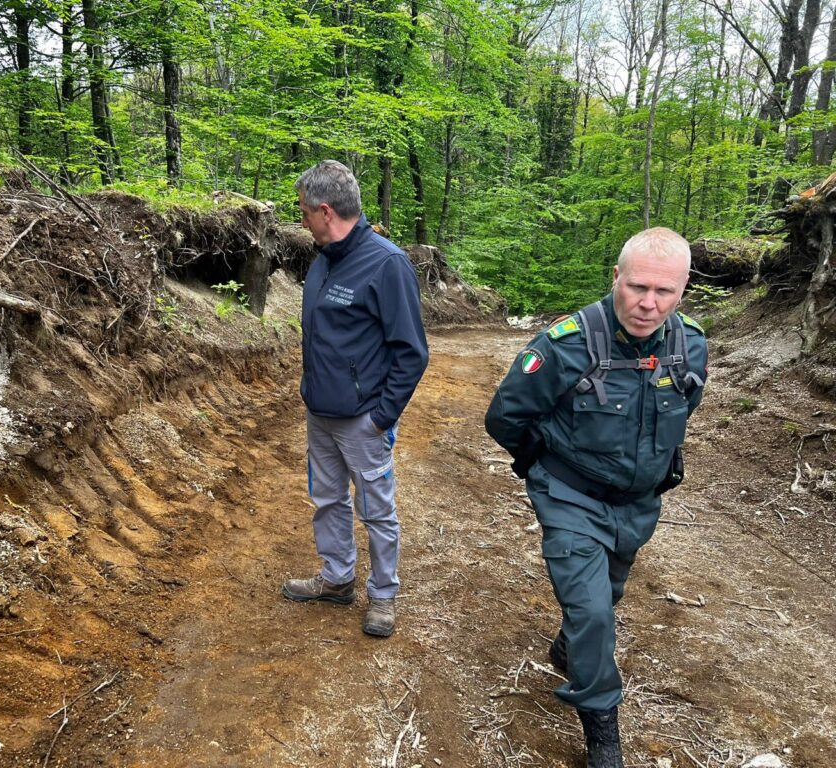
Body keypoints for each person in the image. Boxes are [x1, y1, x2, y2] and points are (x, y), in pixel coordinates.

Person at [484, 228, 707, 767]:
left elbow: (682, 408)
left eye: (665, 292)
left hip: (637, 506)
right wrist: (549, 470)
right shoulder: (567, 344)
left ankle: (570, 648)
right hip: (569, 497)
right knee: (594, 614)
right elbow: (505, 418)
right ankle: (602, 728)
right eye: (637, 288)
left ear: (683, 291)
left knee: (608, 594)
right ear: (616, 278)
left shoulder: (688, 344)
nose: (648, 304)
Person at [282, 160, 429, 638]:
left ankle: (383, 596)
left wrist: (380, 417)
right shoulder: (323, 257)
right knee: (327, 499)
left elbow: (412, 353)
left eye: (304, 212)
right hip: (319, 414)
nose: (301, 220)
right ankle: (337, 578)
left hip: (363, 421)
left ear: (325, 211)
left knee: (376, 510)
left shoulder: (386, 264)